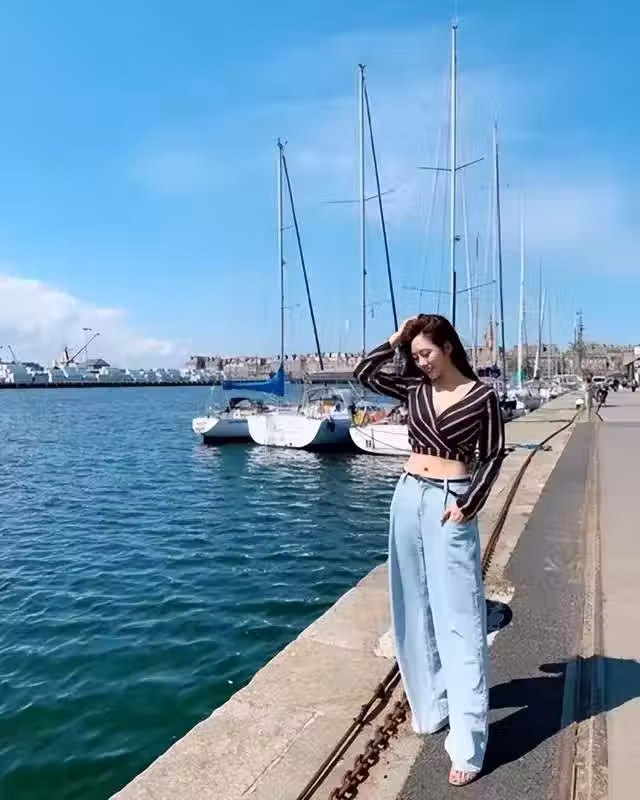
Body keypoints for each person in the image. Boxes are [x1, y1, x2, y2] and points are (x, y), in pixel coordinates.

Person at [354, 314, 505, 787]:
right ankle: (432, 707)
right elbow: (364, 373)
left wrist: (468, 505)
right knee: (412, 608)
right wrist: (396, 338)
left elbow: (492, 455)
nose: (421, 362)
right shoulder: (415, 389)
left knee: (460, 618)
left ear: (449, 348)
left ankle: (468, 743)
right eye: (415, 355)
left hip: (450, 502)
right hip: (407, 496)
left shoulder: (481, 397)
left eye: (427, 353)